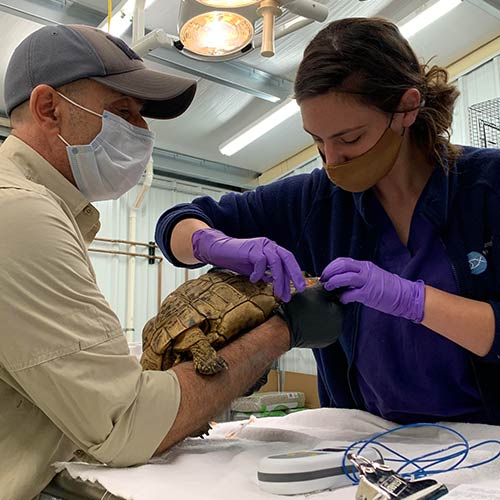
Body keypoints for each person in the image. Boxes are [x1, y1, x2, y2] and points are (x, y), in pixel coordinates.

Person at [0, 24, 340, 500]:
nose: (141, 132)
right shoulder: (19, 213)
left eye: (141, 116)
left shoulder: (47, 211)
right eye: (123, 111)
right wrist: (285, 328)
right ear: (48, 109)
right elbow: (130, 424)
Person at [156, 17, 500, 426]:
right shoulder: (313, 202)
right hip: (366, 437)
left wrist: (414, 301)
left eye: (350, 139)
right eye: (317, 140)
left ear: (406, 108)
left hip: (486, 439)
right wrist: (211, 243)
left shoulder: (487, 187)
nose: (332, 160)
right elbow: (176, 222)